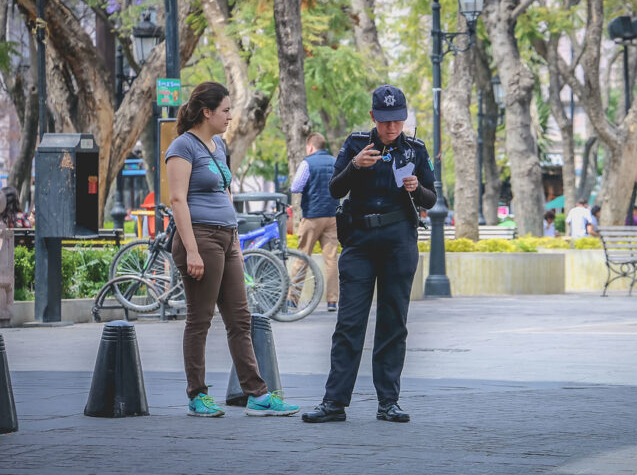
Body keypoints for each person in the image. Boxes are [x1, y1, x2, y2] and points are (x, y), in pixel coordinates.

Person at [302, 84, 436, 424]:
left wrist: (416, 188)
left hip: (398, 241)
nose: (391, 127)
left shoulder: (415, 150)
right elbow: (335, 189)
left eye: (397, 121)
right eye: (385, 120)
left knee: (393, 323)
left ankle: (388, 402)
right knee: (349, 323)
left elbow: (431, 198)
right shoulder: (356, 144)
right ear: (373, 116)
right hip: (360, 241)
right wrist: (355, 166)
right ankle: (334, 403)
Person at [166, 81, 299, 418]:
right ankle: (197, 395)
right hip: (200, 238)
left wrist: (235, 239)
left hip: (227, 239)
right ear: (206, 112)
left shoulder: (218, 146)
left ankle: (258, 396)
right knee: (200, 320)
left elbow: (225, 191)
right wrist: (192, 251)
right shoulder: (183, 146)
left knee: (240, 319)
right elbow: (178, 200)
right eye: (225, 110)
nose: (229, 117)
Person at [290, 132, 339, 312]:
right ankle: (332, 301)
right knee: (331, 260)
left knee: (302, 257)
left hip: (312, 216)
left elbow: (296, 187)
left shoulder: (307, 163)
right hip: (332, 216)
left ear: (310, 147)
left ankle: (292, 300)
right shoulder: (335, 162)